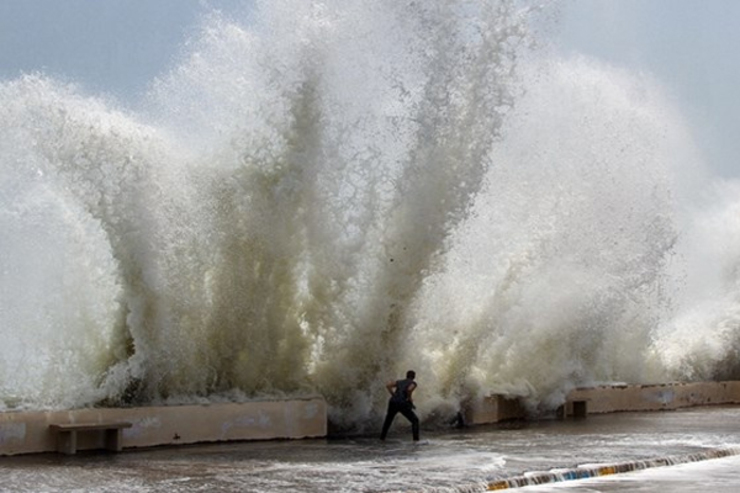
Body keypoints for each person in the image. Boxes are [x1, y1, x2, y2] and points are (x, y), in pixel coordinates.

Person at [380, 370, 419, 441]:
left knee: (388, 420)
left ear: (406, 376)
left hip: (393, 402)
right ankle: (416, 441)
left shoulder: (399, 382)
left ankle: (382, 438)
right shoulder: (413, 383)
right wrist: (410, 399)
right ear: (414, 377)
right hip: (402, 403)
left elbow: (388, 386)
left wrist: (393, 395)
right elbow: (409, 390)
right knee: (415, 420)